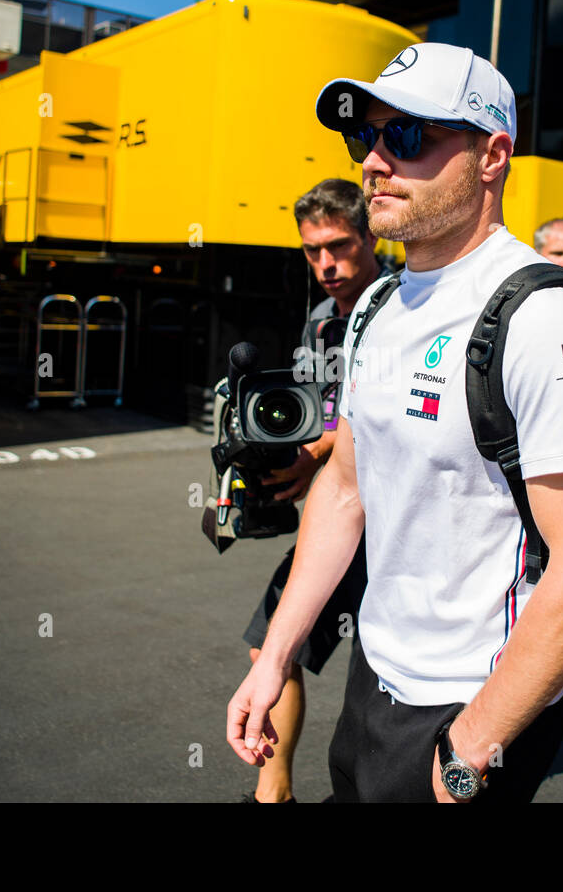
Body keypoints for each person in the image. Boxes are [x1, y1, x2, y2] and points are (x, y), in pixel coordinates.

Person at [226, 42, 563, 802]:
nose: (374, 161)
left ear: (491, 156)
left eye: (406, 137)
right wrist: (275, 656)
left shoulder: (544, 313)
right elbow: (344, 491)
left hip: (475, 696)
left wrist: (470, 750)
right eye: (365, 138)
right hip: (373, 671)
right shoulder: (376, 303)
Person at [238, 179, 388, 803]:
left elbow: (377, 421)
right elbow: (317, 413)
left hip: (398, 525)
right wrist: (286, 455)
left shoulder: (402, 306)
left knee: (389, 684)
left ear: (369, 236)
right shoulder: (321, 322)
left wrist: (321, 453)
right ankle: (273, 797)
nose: (326, 263)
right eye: (311, 250)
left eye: (339, 245)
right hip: (340, 519)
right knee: (269, 645)